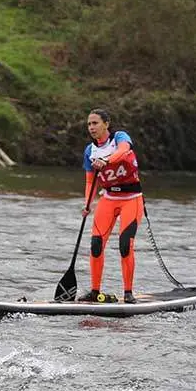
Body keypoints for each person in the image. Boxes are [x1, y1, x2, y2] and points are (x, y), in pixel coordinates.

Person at [80, 108, 143, 304]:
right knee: (96, 245)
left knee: (125, 245)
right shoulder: (90, 151)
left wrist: (106, 160)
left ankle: (128, 293)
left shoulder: (119, 137)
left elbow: (123, 151)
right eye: (89, 124)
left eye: (95, 123)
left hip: (131, 198)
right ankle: (94, 291)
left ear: (106, 124)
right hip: (108, 199)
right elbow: (90, 181)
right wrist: (87, 204)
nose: (91, 127)